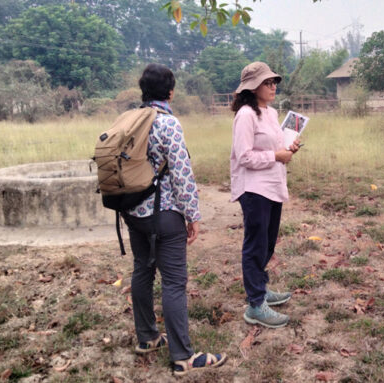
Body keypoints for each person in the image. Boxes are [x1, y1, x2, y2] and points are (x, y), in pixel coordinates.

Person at [124, 64, 226, 375]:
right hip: (164, 215)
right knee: (173, 283)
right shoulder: (168, 124)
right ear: (170, 92)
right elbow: (182, 175)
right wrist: (192, 215)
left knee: (142, 269)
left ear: (143, 90)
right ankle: (183, 357)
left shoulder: (130, 119)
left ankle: (147, 338)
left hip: (132, 212)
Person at [230, 61, 300, 328]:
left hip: (272, 185)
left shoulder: (269, 113)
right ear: (252, 87)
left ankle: (261, 287)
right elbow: (244, 156)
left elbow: (276, 146)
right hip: (254, 188)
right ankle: (255, 303)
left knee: (268, 241)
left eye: (274, 83)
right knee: (255, 244)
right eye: (267, 83)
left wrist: (288, 148)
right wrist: (276, 155)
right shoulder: (246, 115)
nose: (273, 87)